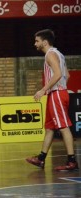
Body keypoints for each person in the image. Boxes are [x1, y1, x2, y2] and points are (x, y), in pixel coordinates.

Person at [26, 29, 79, 171]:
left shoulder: (50, 54)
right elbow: (67, 75)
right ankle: (41, 158)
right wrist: (60, 88)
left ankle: (72, 161)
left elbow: (58, 74)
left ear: (45, 42)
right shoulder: (59, 54)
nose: (35, 43)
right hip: (58, 93)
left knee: (63, 127)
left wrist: (44, 89)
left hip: (56, 94)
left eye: (37, 41)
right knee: (50, 127)